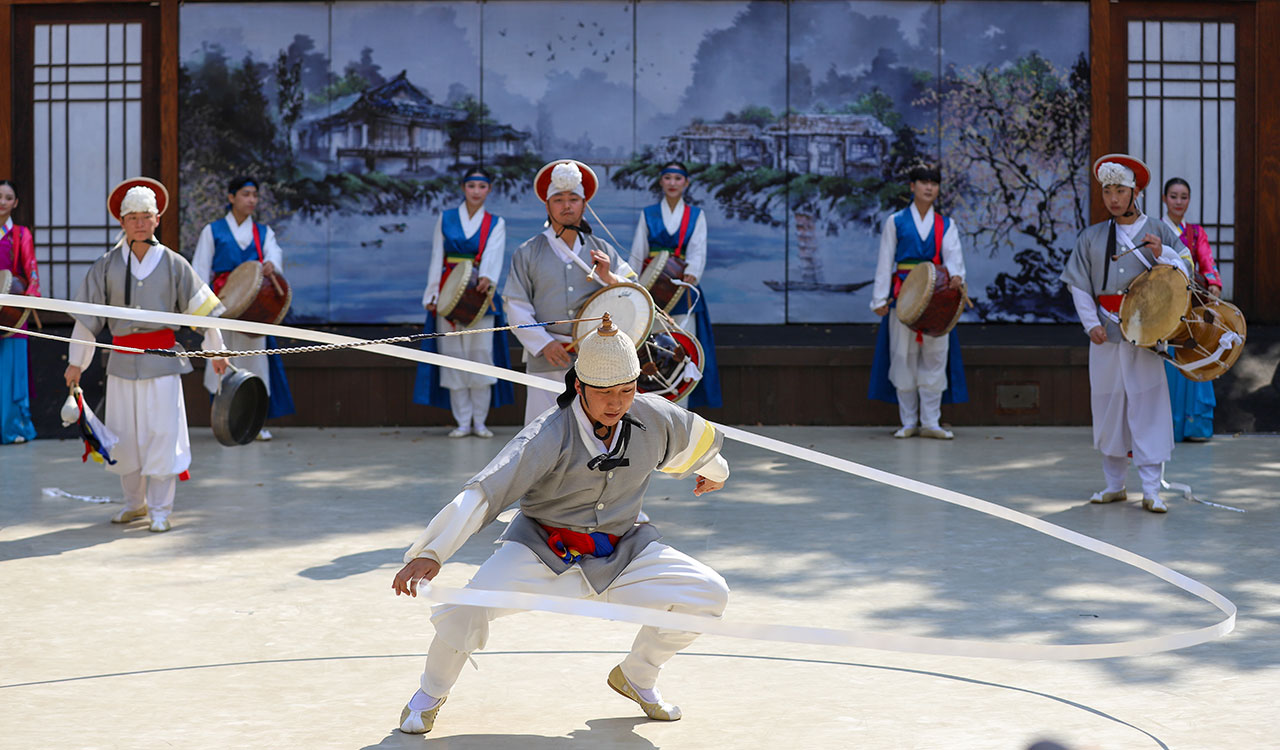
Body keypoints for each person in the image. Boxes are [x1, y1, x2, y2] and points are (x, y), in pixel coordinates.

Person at [391, 313, 730, 735]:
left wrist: (716, 470)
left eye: (626, 391)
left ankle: (638, 675)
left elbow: (698, 443)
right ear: (579, 386)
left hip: (623, 548)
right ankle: (429, 694)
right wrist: (431, 551)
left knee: (707, 593)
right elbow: (486, 491)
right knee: (465, 608)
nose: (616, 403)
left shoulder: (654, 416)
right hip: (542, 549)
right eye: (604, 393)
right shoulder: (547, 434)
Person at [64, 178, 228, 532]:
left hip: (162, 363)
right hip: (121, 363)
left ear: (157, 220)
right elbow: (88, 322)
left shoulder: (174, 264)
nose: (139, 222)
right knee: (124, 437)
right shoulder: (105, 266)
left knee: (161, 435)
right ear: (122, 222)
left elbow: (203, 313)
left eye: (146, 216)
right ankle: (133, 504)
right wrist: (76, 363)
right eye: (132, 216)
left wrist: (217, 351)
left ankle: (160, 511)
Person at [1060, 155, 1192, 513]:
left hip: (1148, 332)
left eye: (1121, 190)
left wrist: (1162, 252)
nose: (1114, 198)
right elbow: (1079, 285)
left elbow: (1186, 270)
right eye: (1108, 191)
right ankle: (1114, 484)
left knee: (1147, 405)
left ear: (1137, 192)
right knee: (1108, 404)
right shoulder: (1092, 236)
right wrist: (1091, 324)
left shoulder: (1161, 232)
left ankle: (1151, 489)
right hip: (1106, 328)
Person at [502, 159, 638, 424]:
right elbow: (516, 306)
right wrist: (544, 343)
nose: (566, 205)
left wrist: (608, 276)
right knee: (543, 430)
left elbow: (636, 295)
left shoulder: (603, 250)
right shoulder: (528, 252)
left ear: (584, 204)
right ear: (547, 205)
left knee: (596, 430)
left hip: (598, 356)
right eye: (559, 199)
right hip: (547, 358)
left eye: (573, 199)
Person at [868, 164, 968, 439]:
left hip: (938, 298)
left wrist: (957, 276)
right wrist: (879, 299)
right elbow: (885, 260)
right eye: (923, 182)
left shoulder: (946, 225)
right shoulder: (896, 221)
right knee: (903, 355)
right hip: (904, 296)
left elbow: (954, 259)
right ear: (912, 187)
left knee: (935, 356)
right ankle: (908, 421)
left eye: (933, 184)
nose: (928, 188)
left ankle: (931, 422)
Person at [412, 167, 514, 437]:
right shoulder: (445, 218)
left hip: (481, 295)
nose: (476, 192)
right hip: (449, 290)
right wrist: (433, 293)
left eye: (482, 187)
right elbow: (437, 257)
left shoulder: (495, 222)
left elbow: (494, 255)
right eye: (472, 186)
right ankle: (462, 421)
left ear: (488, 190)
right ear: (463, 188)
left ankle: (480, 421)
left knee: (481, 355)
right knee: (453, 357)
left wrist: (488, 277)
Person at [191, 176, 294, 440]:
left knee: (255, 364)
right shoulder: (212, 231)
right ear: (231, 197)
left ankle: (254, 423)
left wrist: (271, 263)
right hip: (223, 305)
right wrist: (204, 312)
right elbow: (200, 271)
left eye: (255, 195)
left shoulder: (263, 232)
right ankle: (224, 421)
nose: (251, 200)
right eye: (246, 194)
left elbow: (274, 255)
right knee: (223, 362)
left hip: (254, 309)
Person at [627, 160, 721, 408]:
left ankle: (681, 407)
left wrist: (692, 273)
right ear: (661, 181)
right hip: (652, 287)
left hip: (682, 287)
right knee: (653, 346)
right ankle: (651, 404)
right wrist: (633, 283)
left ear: (686, 183)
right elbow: (639, 250)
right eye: (668, 178)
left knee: (682, 347)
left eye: (678, 179)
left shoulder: (695, 215)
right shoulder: (648, 213)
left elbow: (698, 250)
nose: (672, 183)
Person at [1161, 177, 1222, 442]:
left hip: (1191, 306)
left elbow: (1207, 260)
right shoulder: (1154, 229)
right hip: (1161, 307)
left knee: (1193, 355)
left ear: (1189, 200)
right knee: (1165, 363)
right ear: (1164, 199)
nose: (1178, 201)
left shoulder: (1196, 233)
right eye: (1173, 196)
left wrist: (1213, 283)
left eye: (1183, 197)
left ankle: (1194, 426)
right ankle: (1164, 427)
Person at [0, 179, 38, 444]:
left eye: (8, 197)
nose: (2, 201)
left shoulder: (22, 234)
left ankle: (13, 428)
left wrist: (31, 299)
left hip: (13, 310)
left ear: (16, 203)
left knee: (11, 371)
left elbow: (31, 269)